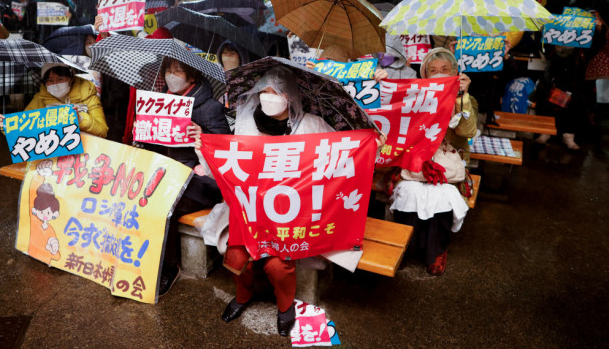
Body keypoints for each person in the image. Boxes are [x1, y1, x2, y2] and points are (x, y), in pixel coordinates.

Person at [194, 66, 385, 336]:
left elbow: (344, 154)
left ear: (290, 96)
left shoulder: (312, 124)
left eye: (277, 92)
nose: (270, 97)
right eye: (265, 91)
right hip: (252, 212)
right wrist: (203, 148)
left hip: (294, 214)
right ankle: (243, 296)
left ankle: (285, 307)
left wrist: (369, 147)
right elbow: (227, 169)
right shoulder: (246, 123)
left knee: (277, 264)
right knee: (235, 254)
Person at [140, 57, 231, 297]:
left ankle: (169, 269)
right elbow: (155, 148)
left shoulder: (209, 106)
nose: (171, 75)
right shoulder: (158, 103)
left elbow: (227, 151)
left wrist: (203, 137)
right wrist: (142, 133)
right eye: (168, 70)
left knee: (164, 205)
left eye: (177, 70)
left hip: (202, 181)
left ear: (192, 76)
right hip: (168, 176)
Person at [389, 47, 476, 276]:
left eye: (445, 70)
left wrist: (462, 98)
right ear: (425, 75)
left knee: (442, 197)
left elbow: (467, 131)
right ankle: (404, 248)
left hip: (448, 166)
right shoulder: (416, 96)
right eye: (433, 70)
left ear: (455, 73)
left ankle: (436, 252)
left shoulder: (466, 98)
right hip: (418, 163)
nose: (439, 74)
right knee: (409, 193)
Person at [0, 63, 108, 139]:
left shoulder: (87, 94)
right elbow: (23, 127)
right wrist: (6, 126)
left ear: (70, 78)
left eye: (60, 79)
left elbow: (103, 131)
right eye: (50, 80)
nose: (55, 84)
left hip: (83, 156)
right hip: (51, 159)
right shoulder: (40, 99)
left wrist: (80, 119)